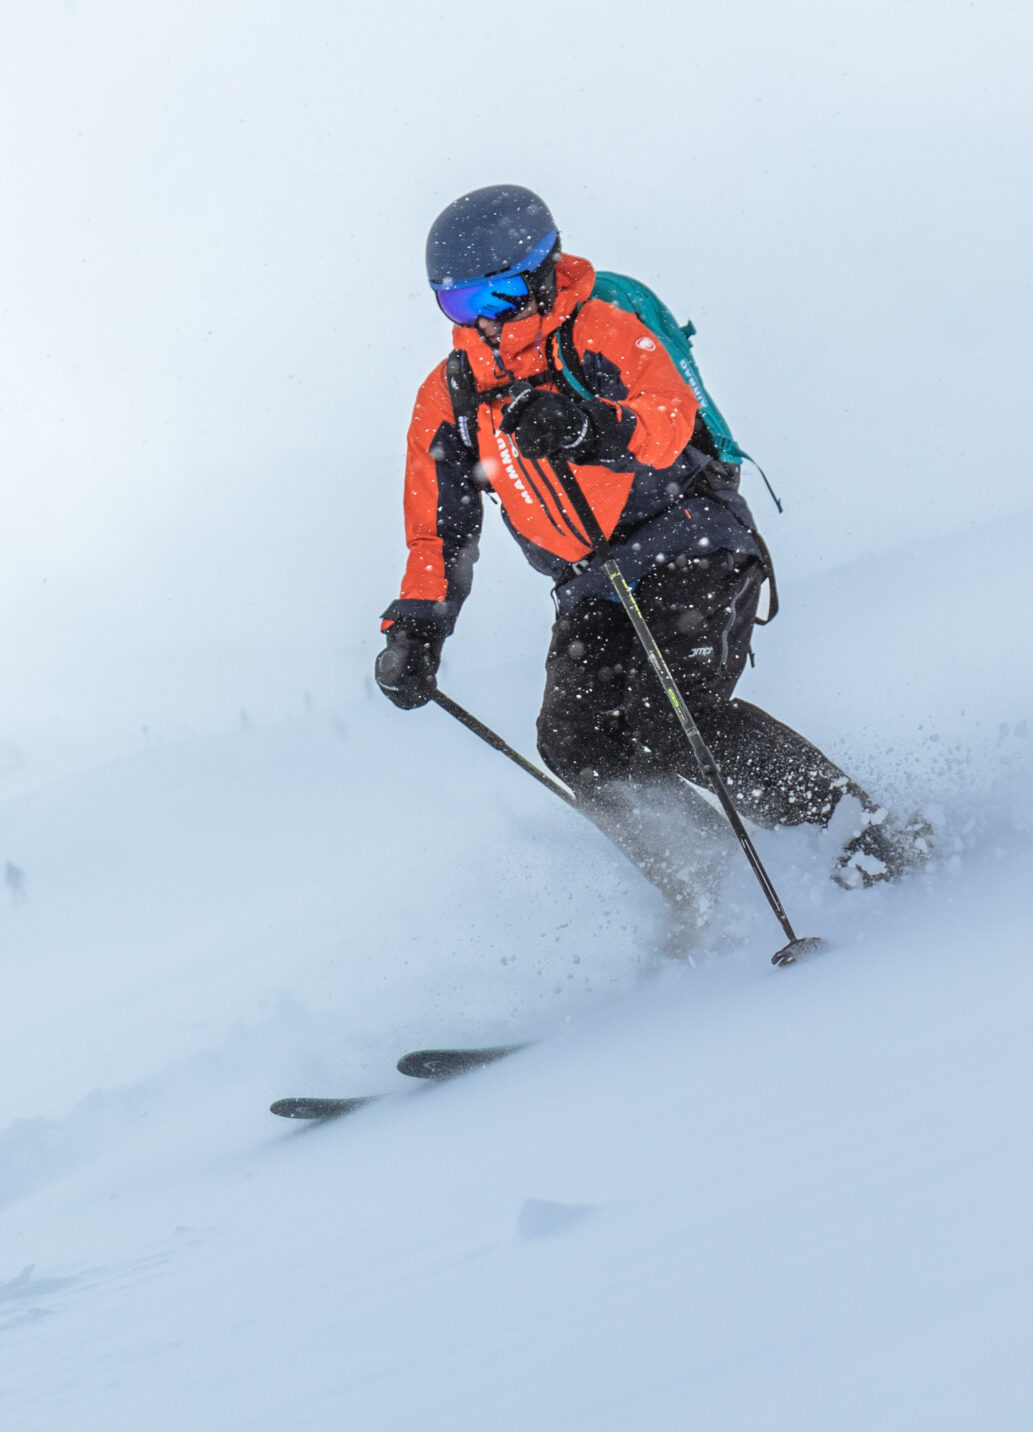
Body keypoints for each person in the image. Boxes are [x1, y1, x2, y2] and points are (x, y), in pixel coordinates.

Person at [371, 184, 926, 924]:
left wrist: (586, 426)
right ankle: (710, 891)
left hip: (689, 537)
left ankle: (864, 842)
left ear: (543, 268)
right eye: (463, 305)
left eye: (500, 293)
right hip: (591, 584)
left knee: (674, 714)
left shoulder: (603, 328)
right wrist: (416, 627)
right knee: (575, 743)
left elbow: (667, 418)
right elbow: (440, 528)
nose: (488, 318)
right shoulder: (453, 396)